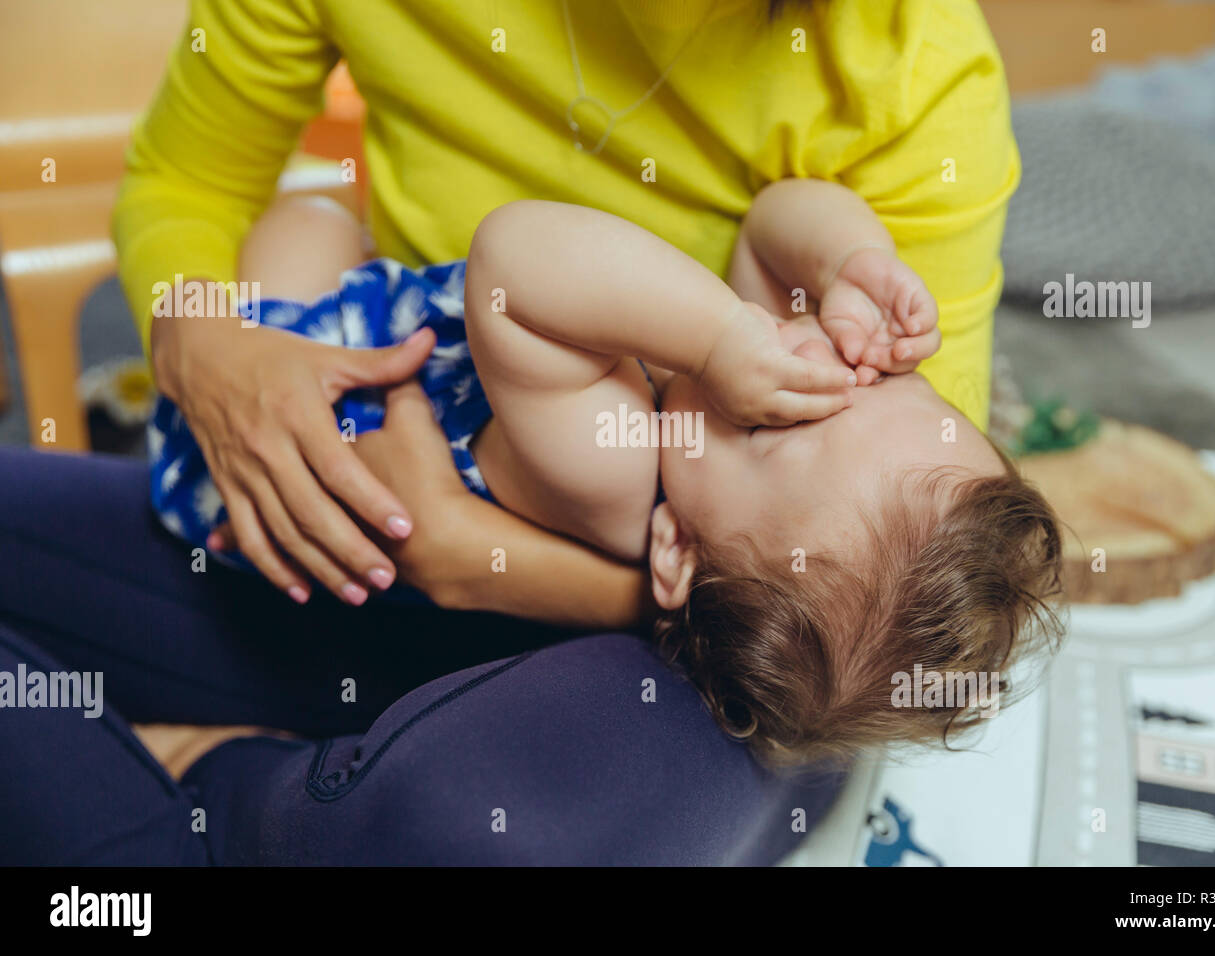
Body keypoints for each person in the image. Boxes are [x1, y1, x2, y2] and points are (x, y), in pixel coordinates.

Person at [150, 181, 1064, 767]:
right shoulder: (728, 424)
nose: (827, 367)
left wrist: (722, 335)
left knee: (302, 221)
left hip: (288, 429)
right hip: (380, 357)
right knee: (320, 218)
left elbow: (514, 256)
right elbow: (771, 224)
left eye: (793, 428)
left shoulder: (616, 469)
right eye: (890, 384)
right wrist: (850, 264)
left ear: (674, 549)